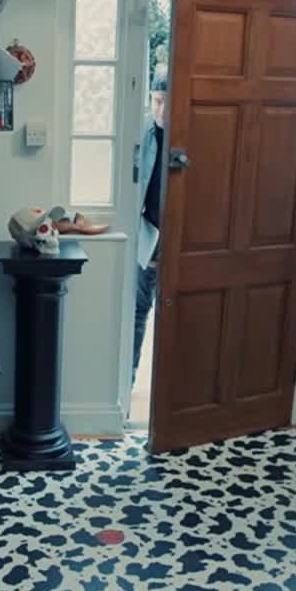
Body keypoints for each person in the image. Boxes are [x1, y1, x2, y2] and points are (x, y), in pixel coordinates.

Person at [130, 73, 168, 386]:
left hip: (183, 236)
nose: (163, 110)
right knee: (139, 310)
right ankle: (128, 379)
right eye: (158, 101)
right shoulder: (142, 131)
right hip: (149, 233)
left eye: (169, 102)